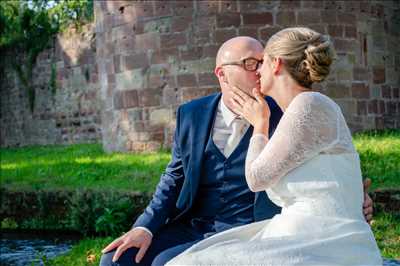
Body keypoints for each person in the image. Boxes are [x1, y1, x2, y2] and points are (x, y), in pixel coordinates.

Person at [100, 35, 375, 266]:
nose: (258, 70)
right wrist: (144, 227)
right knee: (116, 259)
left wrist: (353, 200)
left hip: (253, 228)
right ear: (222, 73)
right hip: (195, 226)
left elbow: (328, 167)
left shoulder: (288, 114)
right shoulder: (192, 114)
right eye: (249, 63)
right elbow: (173, 178)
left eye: (262, 61)